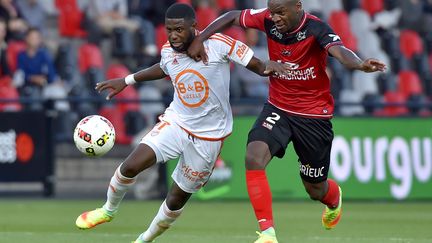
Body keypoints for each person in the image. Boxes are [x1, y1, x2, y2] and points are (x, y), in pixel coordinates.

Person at [75, 3, 290, 243]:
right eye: (169, 30)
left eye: (179, 29)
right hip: (177, 121)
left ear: (194, 27)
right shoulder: (169, 49)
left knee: (176, 199)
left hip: (209, 136)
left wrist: (270, 67)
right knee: (131, 165)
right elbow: (164, 68)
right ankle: (108, 210)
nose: (173, 35)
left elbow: (257, 65)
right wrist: (127, 80)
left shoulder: (219, 44)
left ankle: (144, 239)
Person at [187, 1, 387, 242]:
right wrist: (201, 37)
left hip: (313, 115)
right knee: (253, 156)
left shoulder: (316, 29)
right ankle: (267, 232)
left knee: (315, 189)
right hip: (278, 107)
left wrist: (359, 64)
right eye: (272, 12)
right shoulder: (267, 19)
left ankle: (333, 198)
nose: (275, 17)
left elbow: (340, 52)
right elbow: (232, 17)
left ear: (298, 7)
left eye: (280, 12)